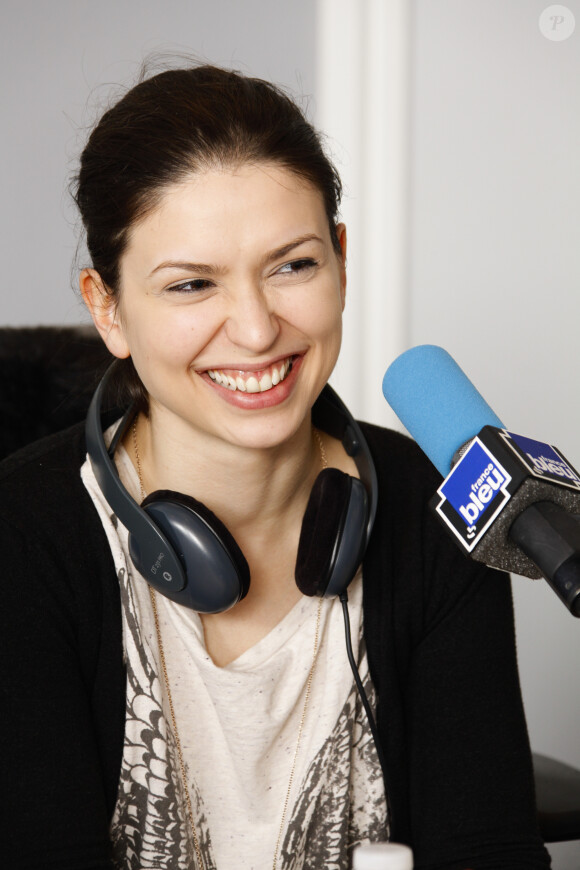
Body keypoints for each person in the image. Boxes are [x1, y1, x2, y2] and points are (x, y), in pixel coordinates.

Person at [0, 63, 550, 870]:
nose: (257, 332)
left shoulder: (441, 499)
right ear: (107, 307)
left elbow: (487, 850)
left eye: (292, 265)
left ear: (341, 261)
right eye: (192, 284)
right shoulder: (23, 537)